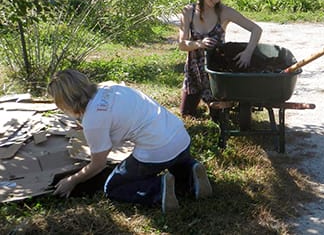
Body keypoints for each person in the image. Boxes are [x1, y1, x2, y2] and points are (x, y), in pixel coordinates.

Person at [47, 69, 212, 212]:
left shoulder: (93, 120)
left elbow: (98, 165)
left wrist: (72, 180)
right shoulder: (110, 87)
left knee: (113, 187)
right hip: (179, 136)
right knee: (174, 157)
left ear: (66, 102)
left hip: (156, 151)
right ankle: (190, 171)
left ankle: (159, 189)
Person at [178, 0, 262, 119]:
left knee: (219, 118)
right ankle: (198, 101)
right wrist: (199, 43)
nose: (217, 0)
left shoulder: (224, 12)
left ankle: (221, 107)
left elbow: (256, 29)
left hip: (216, 73)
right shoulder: (188, 12)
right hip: (194, 70)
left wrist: (248, 53)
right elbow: (182, 45)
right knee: (186, 114)